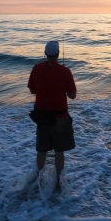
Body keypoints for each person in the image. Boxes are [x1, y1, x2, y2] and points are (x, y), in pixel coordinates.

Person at [27, 40, 76, 186]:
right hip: (60, 118)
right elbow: (72, 95)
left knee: (41, 150)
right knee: (59, 151)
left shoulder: (36, 69)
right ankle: (59, 180)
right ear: (58, 54)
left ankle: (37, 177)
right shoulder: (65, 71)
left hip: (42, 118)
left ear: (45, 54)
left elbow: (32, 90)